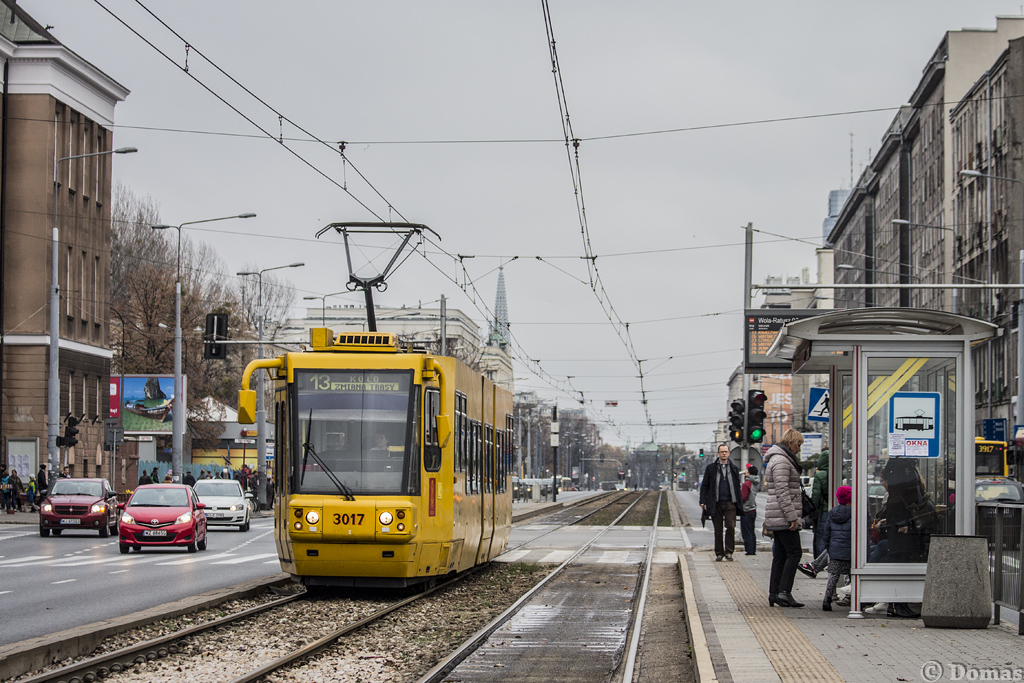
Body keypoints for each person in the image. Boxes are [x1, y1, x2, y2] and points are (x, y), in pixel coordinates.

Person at [763, 428, 806, 608]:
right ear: (790, 443)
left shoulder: (778, 458)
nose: (799, 449)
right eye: (798, 445)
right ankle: (784, 592)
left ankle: (774, 593)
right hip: (783, 516)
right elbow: (782, 491)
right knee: (795, 552)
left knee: (780, 554)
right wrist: (792, 517)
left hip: (778, 515)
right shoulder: (781, 461)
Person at [699, 443, 742, 561]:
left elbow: (737, 486)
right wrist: (702, 501)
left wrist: (738, 502)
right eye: (721, 452)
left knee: (730, 527)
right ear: (718, 454)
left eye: (725, 452)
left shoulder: (733, 468)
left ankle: (729, 552)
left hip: (730, 502)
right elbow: (705, 485)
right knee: (718, 529)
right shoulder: (711, 468)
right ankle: (719, 553)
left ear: (728, 453)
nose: (724, 453)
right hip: (716, 502)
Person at [821, 485, 852, 611]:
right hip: (850, 551)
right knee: (852, 575)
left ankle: (827, 598)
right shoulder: (855, 512)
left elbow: (826, 533)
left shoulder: (832, 512)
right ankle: (852, 597)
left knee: (833, 575)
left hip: (835, 550)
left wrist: (829, 547)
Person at [811, 449, 830, 558]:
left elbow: (816, 496)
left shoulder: (819, 475)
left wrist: (814, 511)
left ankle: (820, 560)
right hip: (838, 508)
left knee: (821, 535)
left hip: (824, 510)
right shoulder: (842, 473)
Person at [740, 464, 760, 556]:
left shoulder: (746, 484)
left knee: (746, 531)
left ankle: (749, 550)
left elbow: (743, 497)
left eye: (747, 471)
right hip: (753, 509)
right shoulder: (755, 482)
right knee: (752, 531)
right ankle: (753, 549)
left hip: (746, 510)